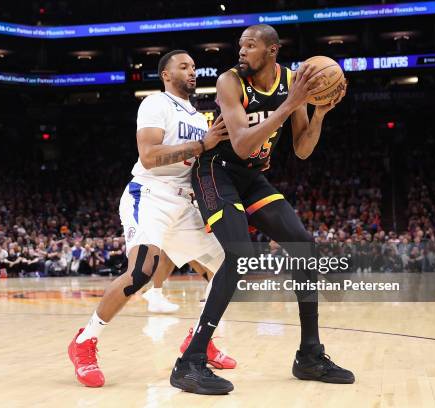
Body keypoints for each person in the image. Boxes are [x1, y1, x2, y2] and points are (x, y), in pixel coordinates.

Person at [170, 25, 354, 395]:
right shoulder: (229, 82)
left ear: (272, 51)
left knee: (304, 245)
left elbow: (302, 150)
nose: (242, 51)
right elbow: (239, 146)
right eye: (240, 45)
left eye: (250, 46)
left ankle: (310, 355)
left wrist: (316, 114)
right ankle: (189, 361)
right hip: (215, 170)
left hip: (252, 176)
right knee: (239, 257)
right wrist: (290, 104)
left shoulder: (292, 82)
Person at [68, 50, 235, 388]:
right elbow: (149, 155)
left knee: (229, 268)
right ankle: (84, 342)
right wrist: (202, 145)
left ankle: (198, 341)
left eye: (193, 67)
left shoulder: (199, 115)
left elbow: (200, 164)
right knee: (141, 270)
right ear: (165, 74)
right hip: (151, 195)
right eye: (183, 66)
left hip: (184, 203)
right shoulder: (156, 104)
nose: (191, 71)